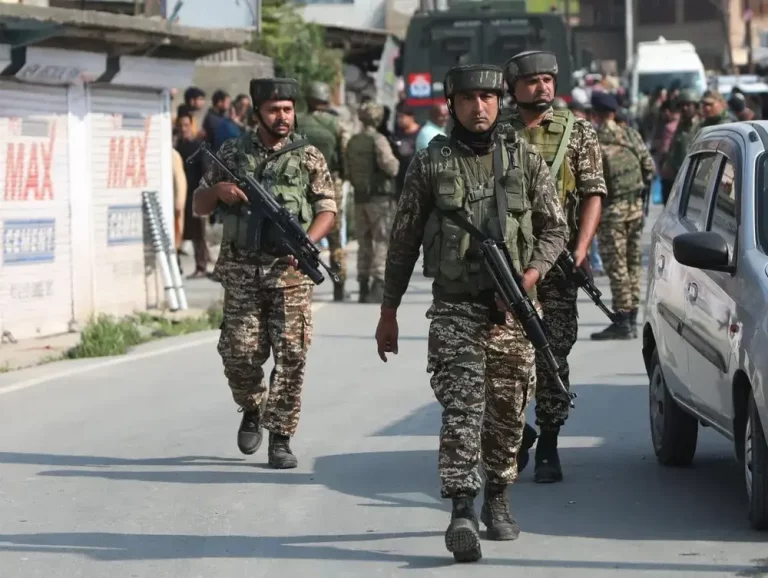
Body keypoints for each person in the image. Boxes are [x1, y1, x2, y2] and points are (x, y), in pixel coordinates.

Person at [375, 64, 568, 562]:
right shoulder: (430, 163)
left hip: (514, 310)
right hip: (455, 308)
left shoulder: (524, 159)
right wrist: (389, 310)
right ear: (451, 104)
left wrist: (529, 277)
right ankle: (462, 505)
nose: (478, 107)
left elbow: (554, 230)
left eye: (487, 97)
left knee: (507, 412)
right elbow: (404, 241)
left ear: (499, 101)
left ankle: (498, 498)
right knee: (463, 406)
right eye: (467, 98)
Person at [192, 78, 337, 469]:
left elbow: (328, 209)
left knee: (292, 355)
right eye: (274, 110)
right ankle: (253, 407)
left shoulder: (308, 156)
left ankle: (281, 436)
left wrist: (306, 242)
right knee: (238, 353)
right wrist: (219, 190)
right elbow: (199, 205)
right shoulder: (232, 152)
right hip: (241, 272)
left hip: (289, 274)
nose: (283, 117)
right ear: (257, 113)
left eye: (288, 109)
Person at [501, 50, 607, 484]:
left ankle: (547, 442)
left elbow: (592, 193)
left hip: (558, 265)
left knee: (551, 354)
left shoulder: (577, 131)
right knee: (502, 361)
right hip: (506, 262)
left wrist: (581, 249)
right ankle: (516, 432)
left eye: (548, 79)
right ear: (513, 87)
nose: (542, 87)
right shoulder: (495, 131)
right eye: (532, 81)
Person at [590, 92, 655, 341]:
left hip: (611, 212)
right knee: (632, 264)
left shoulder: (595, 140)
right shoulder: (630, 135)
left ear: (595, 114)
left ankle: (622, 320)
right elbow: (649, 166)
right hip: (635, 209)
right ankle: (632, 317)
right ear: (614, 113)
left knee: (615, 266)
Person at [299, 81, 351, 301]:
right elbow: (345, 154)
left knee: (303, 235)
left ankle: (302, 286)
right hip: (331, 184)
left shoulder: (296, 122)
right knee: (335, 239)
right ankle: (339, 286)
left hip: (300, 184)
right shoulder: (337, 124)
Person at [345, 102, 400, 303]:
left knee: (364, 242)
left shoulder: (353, 141)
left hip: (360, 198)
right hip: (379, 199)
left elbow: (347, 170)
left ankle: (362, 285)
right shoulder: (378, 140)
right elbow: (391, 167)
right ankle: (377, 285)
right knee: (381, 241)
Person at [661, 89, 700, 196]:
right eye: (682, 105)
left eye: (688, 105)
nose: (684, 108)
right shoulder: (681, 127)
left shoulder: (701, 126)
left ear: (696, 106)